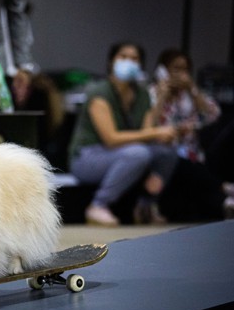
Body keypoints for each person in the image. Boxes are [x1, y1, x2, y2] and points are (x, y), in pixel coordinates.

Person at [67, 42, 179, 227]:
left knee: (166, 152)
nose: (129, 62)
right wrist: (155, 132)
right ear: (112, 61)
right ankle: (98, 205)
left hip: (122, 153)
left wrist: (159, 100)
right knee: (138, 153)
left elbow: (146, 131)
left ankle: (145, 206)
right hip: (88, 157)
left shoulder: (141, 93)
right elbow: (111, 139)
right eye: (123, 57)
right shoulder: (99, 92)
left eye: (134, 58)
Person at [148, 48, 234, 220]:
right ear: (162, 70)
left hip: (192, 153)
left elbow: (213, 114)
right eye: (176, 69)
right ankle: (225, 190)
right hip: (164, 152)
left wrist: (193, 89)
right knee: (186, 166)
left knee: (196, 172)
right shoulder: (151, 92)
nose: (181, 74)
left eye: (185, 69)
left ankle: (226, 204)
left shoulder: (189, 95)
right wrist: (163, 95)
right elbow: (149, 124)